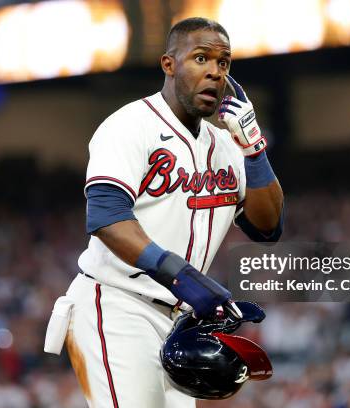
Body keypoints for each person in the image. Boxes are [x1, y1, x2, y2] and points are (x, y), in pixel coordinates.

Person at [44, 17, 284, 408]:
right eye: (200, 58)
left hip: (179, 321)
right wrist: (182, 275)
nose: (213, 72)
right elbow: (106, 217)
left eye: (223, 63)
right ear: (168, 64)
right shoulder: (128, 126)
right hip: (118, 304)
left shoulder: (227, 145)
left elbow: (268, 226)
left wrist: (253, 147)